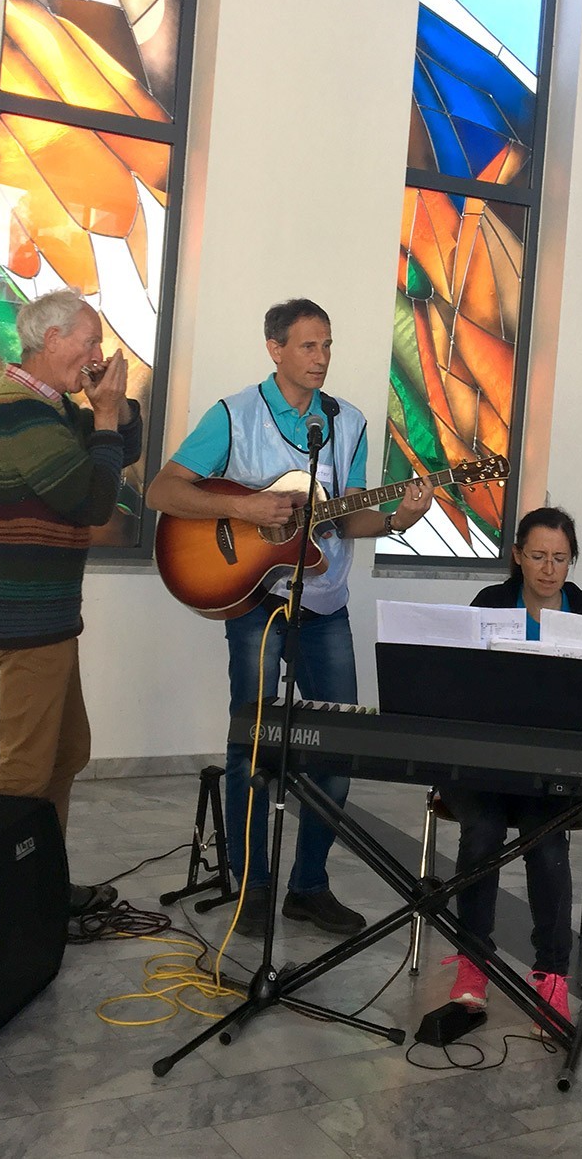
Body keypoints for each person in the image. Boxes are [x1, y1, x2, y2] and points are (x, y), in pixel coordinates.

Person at [146, 298, 433, 937]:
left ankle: (308, 886)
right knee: (251, 745)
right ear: (275, 349)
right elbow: (162, 490)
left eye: (327, 345)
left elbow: (348, 516)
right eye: (308, 345)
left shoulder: (348, 422)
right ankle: (252, 886)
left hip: (325, 603)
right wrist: (246, 510)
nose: (321, 358)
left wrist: (398, 518)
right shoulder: (233, 415)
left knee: (339, 743)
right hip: (255, 602)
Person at [0, 289, 142, 916]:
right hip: (25, 612)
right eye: (89, 341)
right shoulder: (18, 412)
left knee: (65, 754)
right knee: (24, 771)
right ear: (52, 340)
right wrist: (104, 417)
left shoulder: (51, 405)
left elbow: (122, 451)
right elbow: (91, 501)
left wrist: (113, 407)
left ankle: (40, 885)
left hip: (47, 613)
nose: (98, 353)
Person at [441, 507, 582, 1027]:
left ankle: (552, 975)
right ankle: (473, 961)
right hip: (486, 764)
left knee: (547, 840)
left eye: (560, 558)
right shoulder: (489, 604)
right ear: (517, 556)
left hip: (553, 770)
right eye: (537, 556)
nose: (549, 569)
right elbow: (458, 688)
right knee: (482, 832)